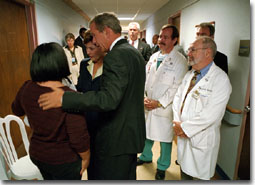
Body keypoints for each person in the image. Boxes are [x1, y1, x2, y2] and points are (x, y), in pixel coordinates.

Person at [38, 12, 146, 180]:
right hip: (129, 134)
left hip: (116, 138)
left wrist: (64, 98)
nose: (94, 41)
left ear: (107, 31)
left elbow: (108, 99)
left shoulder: (116, 56)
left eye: (95, 35)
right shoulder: (133, 53)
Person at [11, 42, 90, 180]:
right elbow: (78, 136)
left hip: (38, 154)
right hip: (64, 160)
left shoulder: (26, 88)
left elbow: (16, 110)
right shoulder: (69, 96)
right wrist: (86, 157)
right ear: (61, 63)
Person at [172, 36, 232, 180]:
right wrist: (177, 123)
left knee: (200, 177)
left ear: (207, 52)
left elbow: (211, 115)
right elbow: (178, 99)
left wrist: (185, 128)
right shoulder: (190, 74)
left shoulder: (220, 79)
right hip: (182, 133)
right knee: (184, 173)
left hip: (201, 140)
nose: (189, 53)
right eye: (189, 49)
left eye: (193, 49)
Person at [137, 24, 188, 180]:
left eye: (166, 37)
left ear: (174, 40)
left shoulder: (180, 61)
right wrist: (144, 95)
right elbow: (145, 79)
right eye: (160, 36)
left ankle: (162, 166)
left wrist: (158, 103)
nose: (161, 40)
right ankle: (146, 156)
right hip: (148, 103)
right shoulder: (154, 57)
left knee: (165, 139)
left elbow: (177, 87)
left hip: (164, 107)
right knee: (147, 134)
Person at [76, 29, 105, 180]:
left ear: (101, 47)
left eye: (92, 48)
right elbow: (80, 87)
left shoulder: (110, 67)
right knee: (89, 162)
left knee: (102, 165)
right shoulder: (84, 64)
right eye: (86, 48)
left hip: (103, 124)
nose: (88, 52)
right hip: (85, 122)